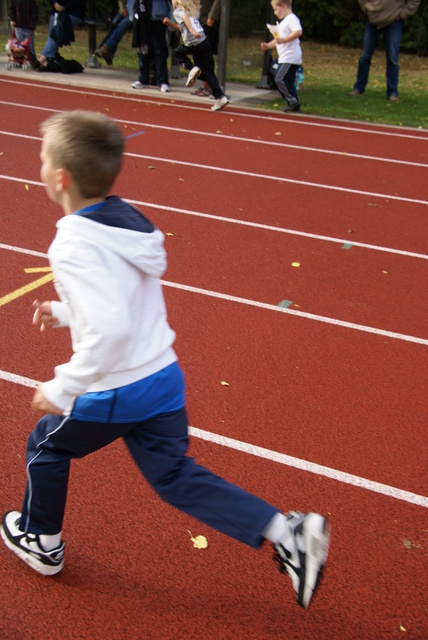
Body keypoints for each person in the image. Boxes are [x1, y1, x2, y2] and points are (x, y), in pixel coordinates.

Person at [0, 110, 330, 610]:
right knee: (173, 476)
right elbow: (121, 299)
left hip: (119, 389)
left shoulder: (71, 241)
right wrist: (68, 312)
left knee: (45, 447)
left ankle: (41, 542)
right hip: (162, 377)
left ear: (61, 177)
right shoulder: (124, 221)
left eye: (43, 158)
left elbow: (110, 327)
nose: (39, 165)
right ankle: (287, 531)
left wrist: (63, 387)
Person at [349, 0, 421, 102]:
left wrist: (403, 14)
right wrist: (366, 7)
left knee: (392, 59)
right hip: (373, 18)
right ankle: (358, 88)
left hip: (393, 20)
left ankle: (392, 92)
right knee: (365, 57)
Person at [163, 0, 228, 111]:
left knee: (177, 52)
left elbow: (185, 19)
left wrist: (193, 32)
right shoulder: (191, 11)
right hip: (204, 42)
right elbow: (183, 28)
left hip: (194, 44)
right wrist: (170, 24)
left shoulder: (178, 12)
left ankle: (191, 68)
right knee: (208, 72)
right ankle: (220, 97)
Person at [261, 0, 302, 113]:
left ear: (283, 6)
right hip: (285, 57)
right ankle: (293, 103)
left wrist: (284, 40)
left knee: (279, 78)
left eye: (276, 9)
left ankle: (293, 101)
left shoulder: (292, 19)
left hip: (290, 57)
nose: (275, 13)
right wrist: (268, 45)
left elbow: (298, 32)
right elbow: (277, 39)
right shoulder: (284, 22)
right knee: (288, 81)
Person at [132, 0, 171, 93]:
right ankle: (143, 79)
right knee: (142, 47)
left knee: (159, 49)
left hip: (158, 16)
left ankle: (162, 81)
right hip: (143, 14)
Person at [37, 0, 86, 69]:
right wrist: (54, 3)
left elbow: (77, 3)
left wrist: (64, 7)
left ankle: (44, 57)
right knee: (54, 29)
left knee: (57, 27)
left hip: (73, 13)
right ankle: (49, 62)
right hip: (56, 11)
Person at [94, 0, 134, 66]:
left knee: (122, 25)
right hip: (127, 11)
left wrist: (130, 12)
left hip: (138, 14)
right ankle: (109, 52)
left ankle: (106, 48)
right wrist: (123, 9)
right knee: (114, 22)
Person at [8, 0, 39, 69]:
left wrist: (33, 23)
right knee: (20, 44)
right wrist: (12, 20)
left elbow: (34, 11)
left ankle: (33, 61)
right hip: (18, 26)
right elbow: (11, 9)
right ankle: (20, 60)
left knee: (30, 45)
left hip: (29, 27)